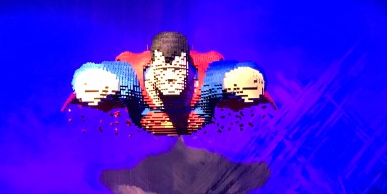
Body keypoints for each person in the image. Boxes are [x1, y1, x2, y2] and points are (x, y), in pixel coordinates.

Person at [62, 31, 274, 135]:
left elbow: (238, 75)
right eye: (163, 70)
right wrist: (89, 81)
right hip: (143, 107)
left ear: (187, 65)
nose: (171, 78)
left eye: (177, 70)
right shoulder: (131, 77)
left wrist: (247, 79)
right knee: (112, 83)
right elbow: (98, 76)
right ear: (153, 64)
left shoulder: (208, 78)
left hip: (197, 108)